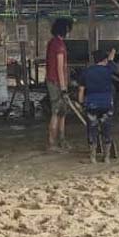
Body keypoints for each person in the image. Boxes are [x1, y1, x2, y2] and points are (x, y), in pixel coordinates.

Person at [78, 48, 117, 163]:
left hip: (91, 105)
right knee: (107, 129)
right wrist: (113, 52)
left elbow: (81, 90)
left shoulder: (87, 72)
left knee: (92, 130)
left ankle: (93, 157)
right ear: (104, 60)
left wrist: (80, 103)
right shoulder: (109, 69)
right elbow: (111, 62)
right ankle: (106, 158)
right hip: (106, 104)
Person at [45, 18, 72, 152]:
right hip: (57, 83)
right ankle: (52, 144)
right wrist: (63, 88)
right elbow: (60, 68)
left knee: (62, 112)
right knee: (56, 113)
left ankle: (62, 140)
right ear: (65, 29)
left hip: (51, 80)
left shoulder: (52, 43)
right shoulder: (60, 46)